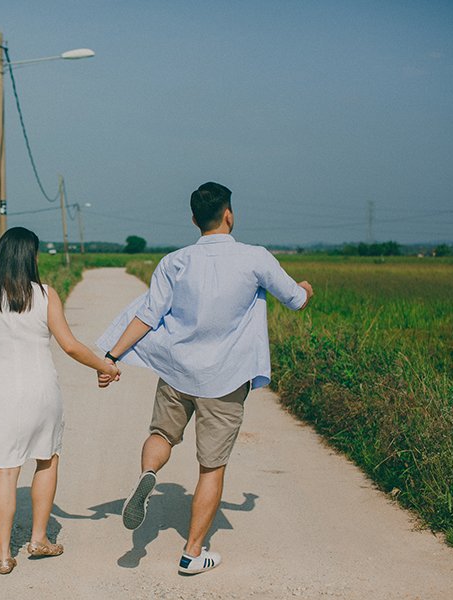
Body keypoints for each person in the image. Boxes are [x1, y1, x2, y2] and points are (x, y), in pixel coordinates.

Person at [97, 182, 313, 575]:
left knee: (161, 435)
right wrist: (304, 288)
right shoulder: (255, 258)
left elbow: (147, 315)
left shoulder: (175, 262)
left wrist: (112, 357)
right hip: (226, 380)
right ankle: (192, 553)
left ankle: (149, 474)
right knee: (211, 467)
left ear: (194, 220)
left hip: (178, 372)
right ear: (229, 214)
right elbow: (295, 300)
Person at [0, 226, 120, 575]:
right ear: (31, 256)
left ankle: (3, 554)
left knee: (6, 470)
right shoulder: (45, 294)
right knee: (46, 459)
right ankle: (39, 539)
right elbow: (70, 345)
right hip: (42, 391)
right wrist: (105, 366)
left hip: (2, 393)